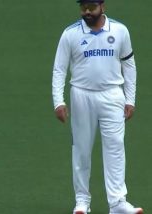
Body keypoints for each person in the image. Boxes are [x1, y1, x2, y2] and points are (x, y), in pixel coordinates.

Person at [52, 0, 143, 213]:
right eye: (83, 7)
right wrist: (59, 101)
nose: (86, 12)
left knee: (115, 146)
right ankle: (82, 202)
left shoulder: (120, 31)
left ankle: (118, 203)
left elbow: (129, 66)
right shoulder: (70, 34)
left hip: (113, 95)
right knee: (82, 149)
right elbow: (59, 69)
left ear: (102, 7)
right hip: (81, 95)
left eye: (91, 7)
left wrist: (130, 99)